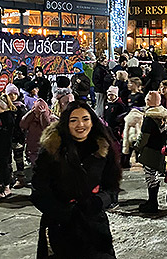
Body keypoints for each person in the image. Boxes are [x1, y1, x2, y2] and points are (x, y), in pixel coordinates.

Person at [31, 101, 121, 258]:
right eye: (73, 120)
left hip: (94, 225)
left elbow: (112, 187)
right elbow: (39, 190)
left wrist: (99, 201)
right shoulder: (52, 150)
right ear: (66, 122)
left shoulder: (103, 148)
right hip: (60, 226)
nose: (80, 124)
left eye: (85, 119)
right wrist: (63, 211)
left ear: (92, 121)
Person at [135, 99, 167, 213]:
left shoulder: (149, 119)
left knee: (150, 177)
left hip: (150, 152)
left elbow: (144, 137)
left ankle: (152, 203)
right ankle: (152, 202)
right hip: (160, 150)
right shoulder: (163, 116)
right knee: (154, 176)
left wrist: (137, 147)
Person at [6, 83, 28, 188]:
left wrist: (22, 137)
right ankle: (9, 176)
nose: (13, 96)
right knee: (7, 159)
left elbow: (23, 124)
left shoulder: (21, 108)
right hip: (6, 138)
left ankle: (20, 178)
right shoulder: (4, 107)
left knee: (19, 158)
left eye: (15, 94)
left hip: (18, 138)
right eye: (10, 94)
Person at [20, 99, 55, 166]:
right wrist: (31, 113)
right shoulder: (31, 119)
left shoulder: (52, 118)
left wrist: (43, 115)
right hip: (33, 149)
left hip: (46, 150)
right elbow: (23, 125)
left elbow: (46, 127)